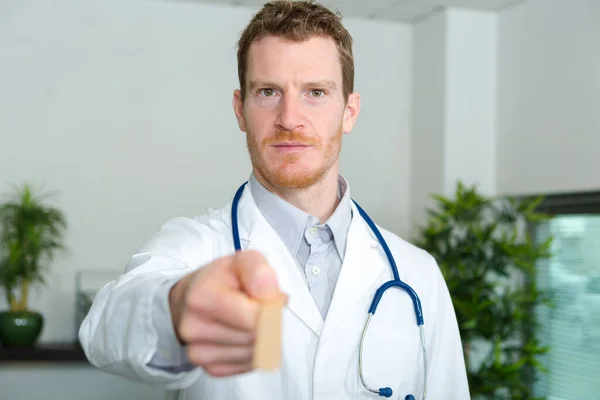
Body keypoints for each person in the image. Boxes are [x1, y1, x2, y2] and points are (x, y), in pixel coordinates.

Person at [79, 1, 470, 399]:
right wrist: (176, 310)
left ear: (349, 113)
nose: (289, 117)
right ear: (240, 110)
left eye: (315, 92)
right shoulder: (195, 247)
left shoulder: (417, 274)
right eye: (268, 91)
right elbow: (104, 328)